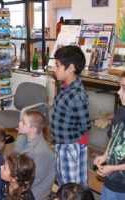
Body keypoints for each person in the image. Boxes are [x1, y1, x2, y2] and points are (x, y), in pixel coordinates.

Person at [51, 45, 91, 187]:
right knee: (65, 179)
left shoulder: (77, 95)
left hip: (71, 145)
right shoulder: (65, 87)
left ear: (71, 68)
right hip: (63, 143)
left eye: (58, 66)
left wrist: (76, 143)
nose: (55, 69)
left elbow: (86, 124)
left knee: (71, 185)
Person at [93, 71, 125, 200]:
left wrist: (113, 168)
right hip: (111, 181)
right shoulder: (120, 112)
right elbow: (113, 136)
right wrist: (105, 156)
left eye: (124, 88)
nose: (118, 92)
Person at [14, 110, 55, 200]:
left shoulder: (41, 151)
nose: (19, 124)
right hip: (22, 179)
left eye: (23, 123)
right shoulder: (23, 136)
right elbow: (15, 157)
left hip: (35, 192)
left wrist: (14, 182)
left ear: (33, 130)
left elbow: (35, 179)